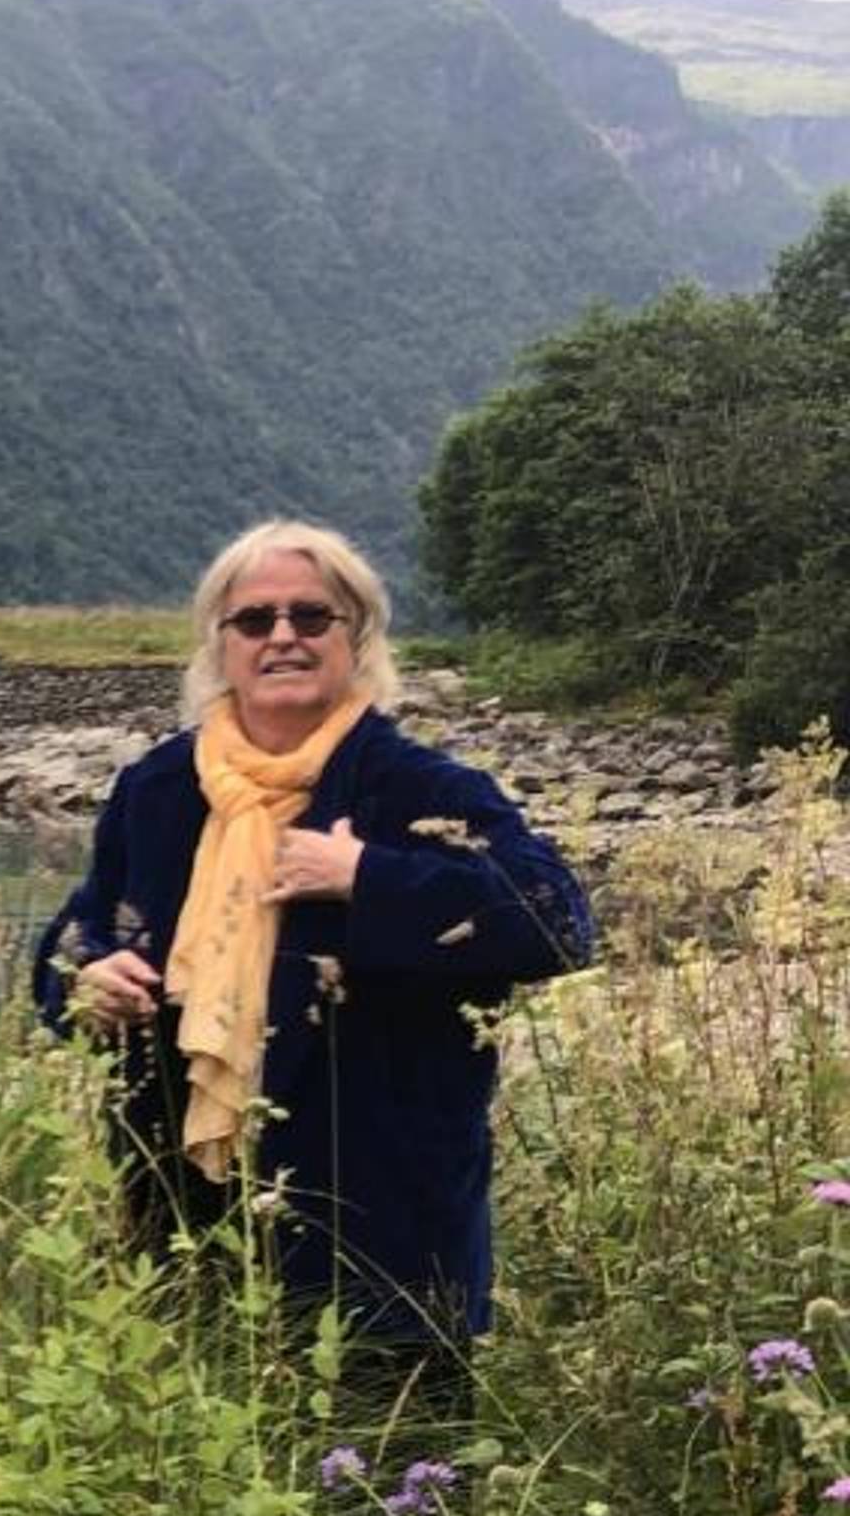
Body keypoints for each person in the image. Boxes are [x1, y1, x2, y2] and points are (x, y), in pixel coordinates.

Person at [34, 519, 591, 1398]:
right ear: (220, 645)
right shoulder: (159, 788)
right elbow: (77, 937)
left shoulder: (417, 787)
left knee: (396, 1500)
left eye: (311, 616)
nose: (282, 636)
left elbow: (558, 921)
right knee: (204, 1485)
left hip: (385, 1222)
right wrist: (87, 981)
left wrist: (366, 874)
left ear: (356, 638)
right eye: (254, 621)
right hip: (187, 1211)